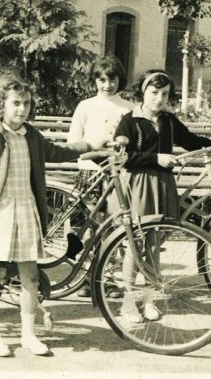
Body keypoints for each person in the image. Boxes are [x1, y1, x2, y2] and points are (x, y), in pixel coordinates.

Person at [0, 75, 97, 357]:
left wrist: (89, 146)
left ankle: (29, 334)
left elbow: (57, 151)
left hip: (25, 211)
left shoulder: (30, 135)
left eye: (27, 103)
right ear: (1, 104)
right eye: (16, 103)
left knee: (30, 277)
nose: (22, 109)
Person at [114, 69, 211, 323]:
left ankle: (149, 300)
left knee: (154, 244)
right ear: (143, 92)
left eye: (164, 94)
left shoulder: (169, 121)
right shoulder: (130, 120)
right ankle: (128, 302)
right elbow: (122, 156)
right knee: (135, 243)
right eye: (154, 92)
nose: (159, 98)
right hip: (139, 183)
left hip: (163, 184)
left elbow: (191, 141)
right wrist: (156, 158)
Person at [67, 55, 134, 297]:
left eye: (112, 79)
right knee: (89, 226)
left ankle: (109, 278)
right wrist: (93, 149)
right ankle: (87, 277)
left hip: (118, 174)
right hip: (90, 172)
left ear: (120, 80)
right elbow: (74, 140)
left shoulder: (128, 108)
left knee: (115, 225)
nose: (107, 85)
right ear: (95, 81)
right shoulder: (85, 106)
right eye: (102, 79)